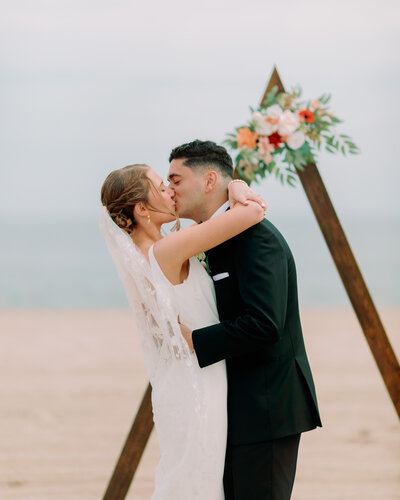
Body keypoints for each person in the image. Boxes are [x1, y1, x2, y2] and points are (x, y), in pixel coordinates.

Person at [100, 162, 265, 499]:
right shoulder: (165, 251)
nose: (170, 191)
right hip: (197, 386)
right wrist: (236, 186)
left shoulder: (151, 251)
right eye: (161, 187)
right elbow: (252, 213)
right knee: (196, 481)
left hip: (186, 380)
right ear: (142, 209)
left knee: (190, 477)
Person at [168, 140, 322, 500]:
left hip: (265, 406)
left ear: (209, 181)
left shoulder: (255, 237)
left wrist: (194, 341)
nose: (169, 189)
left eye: (176, 180)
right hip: (232, 407)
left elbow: (266, 324)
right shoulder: (212, 234)